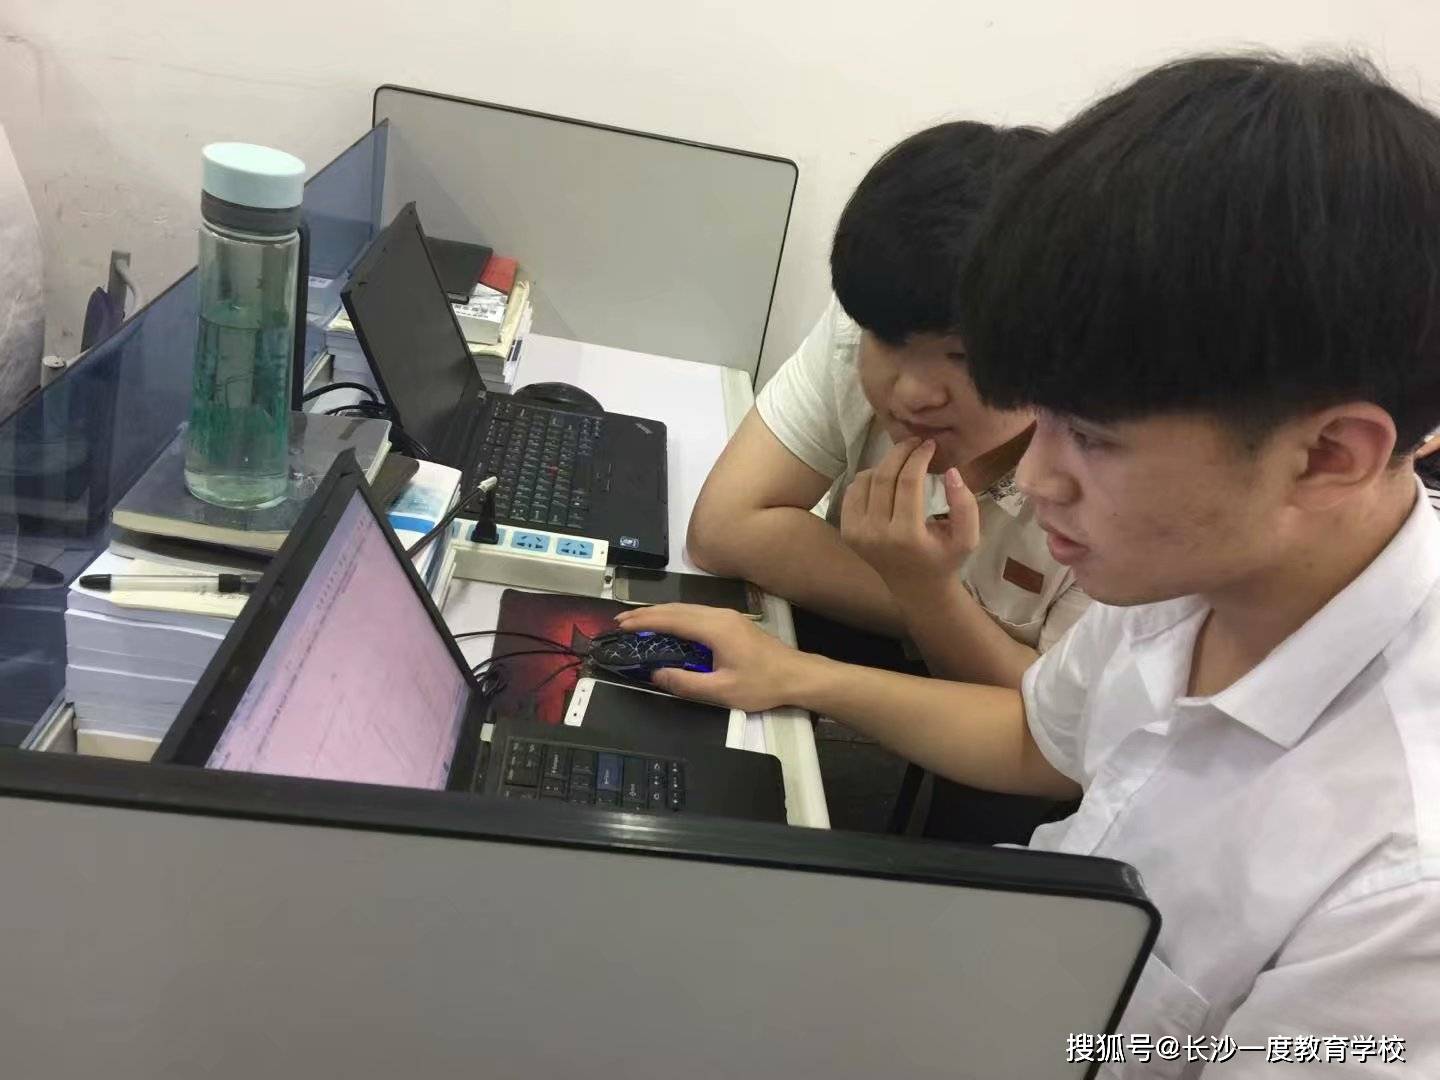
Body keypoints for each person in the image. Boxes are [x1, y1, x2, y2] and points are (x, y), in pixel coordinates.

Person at [618, 55, 1440, 1068]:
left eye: (1090, 436)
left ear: (1327, 456)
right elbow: (1041, 740)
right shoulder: (1199, 574)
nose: (1040, 478)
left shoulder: (1403, 885)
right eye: (1039, 416)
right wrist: (797, 676)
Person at [687, 121, 1090, 691]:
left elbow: (1057, 719)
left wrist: (927, 592)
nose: (910, 394)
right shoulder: (870, 320)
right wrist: (926, 599)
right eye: (888, 341)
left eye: (962, 356)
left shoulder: (1109, 463)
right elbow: (723, 527)